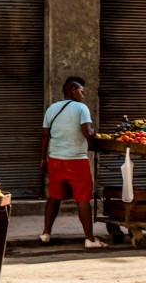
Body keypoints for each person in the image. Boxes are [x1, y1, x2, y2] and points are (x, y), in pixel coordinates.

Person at [39, 76, 106, 249]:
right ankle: (90, 239)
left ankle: (46, 233)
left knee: (54, 196)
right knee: (83, 199)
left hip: (55, 160)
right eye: (82, 92)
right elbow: (87, 131)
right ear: (73, 90)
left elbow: (45, 135)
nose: (83, 96)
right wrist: (93, 131)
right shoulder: (81, 108)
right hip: (76, 160)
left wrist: (43, 159)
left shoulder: (51, 109)